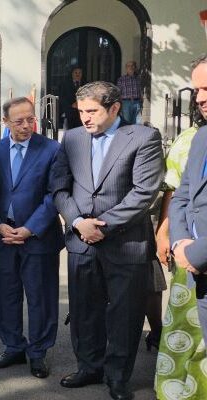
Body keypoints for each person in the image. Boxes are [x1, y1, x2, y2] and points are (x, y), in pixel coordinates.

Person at [50, 81, 163, 400]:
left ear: (114, 108)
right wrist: (78, 222)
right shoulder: (72, 138)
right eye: (81, 111)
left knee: (125, 314)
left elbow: (144, 192)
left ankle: (117, 378)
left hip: (126, 243)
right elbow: (59, 187)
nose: (85, 117)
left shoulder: (143, 137)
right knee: (84, 310)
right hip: (81, 242)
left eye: (92, 111)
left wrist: (102, 226)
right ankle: (89, 367)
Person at [0, 97, 63, 379]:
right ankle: (13, 346)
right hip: (3, 236)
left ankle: (38, 352)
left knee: (41, 296)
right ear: (5, 121)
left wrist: (30, 228)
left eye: (31, 119)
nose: (26, 125)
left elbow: (55, 194)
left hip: (38, 236)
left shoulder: (52, 149)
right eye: (19, 121)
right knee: (5, 295)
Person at [155, 54, 207, 399]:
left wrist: (195, 252)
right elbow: (182, 194)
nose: (200, 98)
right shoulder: (200, 138)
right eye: (197, 89)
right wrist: (179, 242)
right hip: (196, 269)